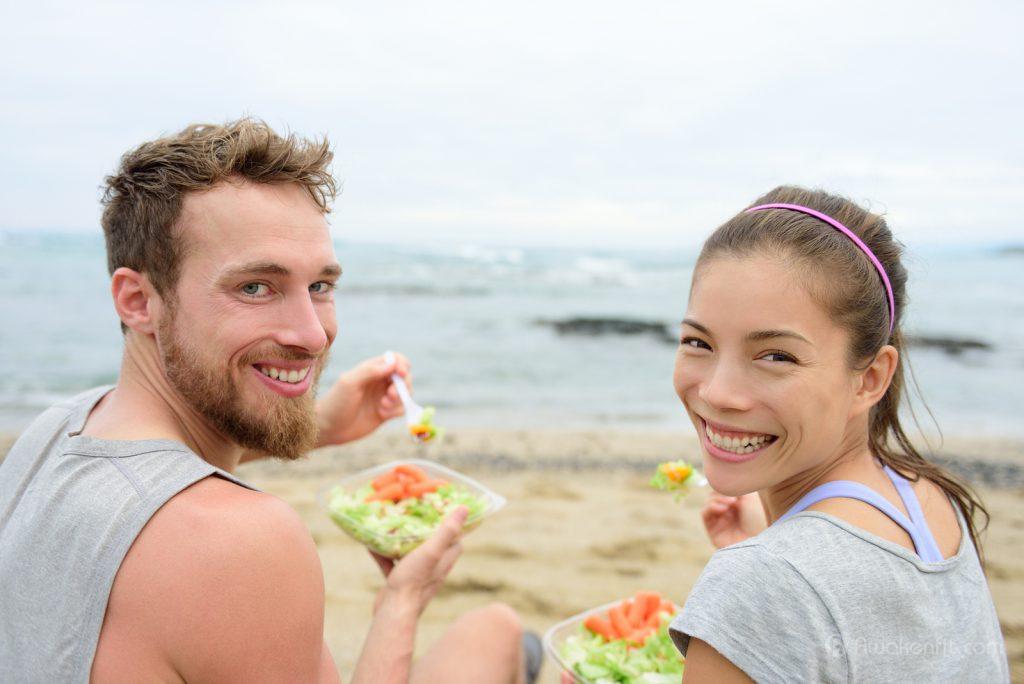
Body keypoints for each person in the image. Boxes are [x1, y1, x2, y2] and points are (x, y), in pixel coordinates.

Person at [0, 119, 537, 683]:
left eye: (320, 287)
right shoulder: (241, 542)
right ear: (138, 301)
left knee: (495, 631)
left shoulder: (59, 429)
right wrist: (401, 601)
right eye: (255, 288)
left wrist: (320, 425)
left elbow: (147, 486)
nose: (311, 334)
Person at [667, 187, 1009, 682]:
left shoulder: (763, 581)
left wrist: (767, 573)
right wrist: (774, 549)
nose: (718, 393)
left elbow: (796, 587)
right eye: (698, 342)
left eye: (777, 356)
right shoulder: (928, 499)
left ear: (870, 378)